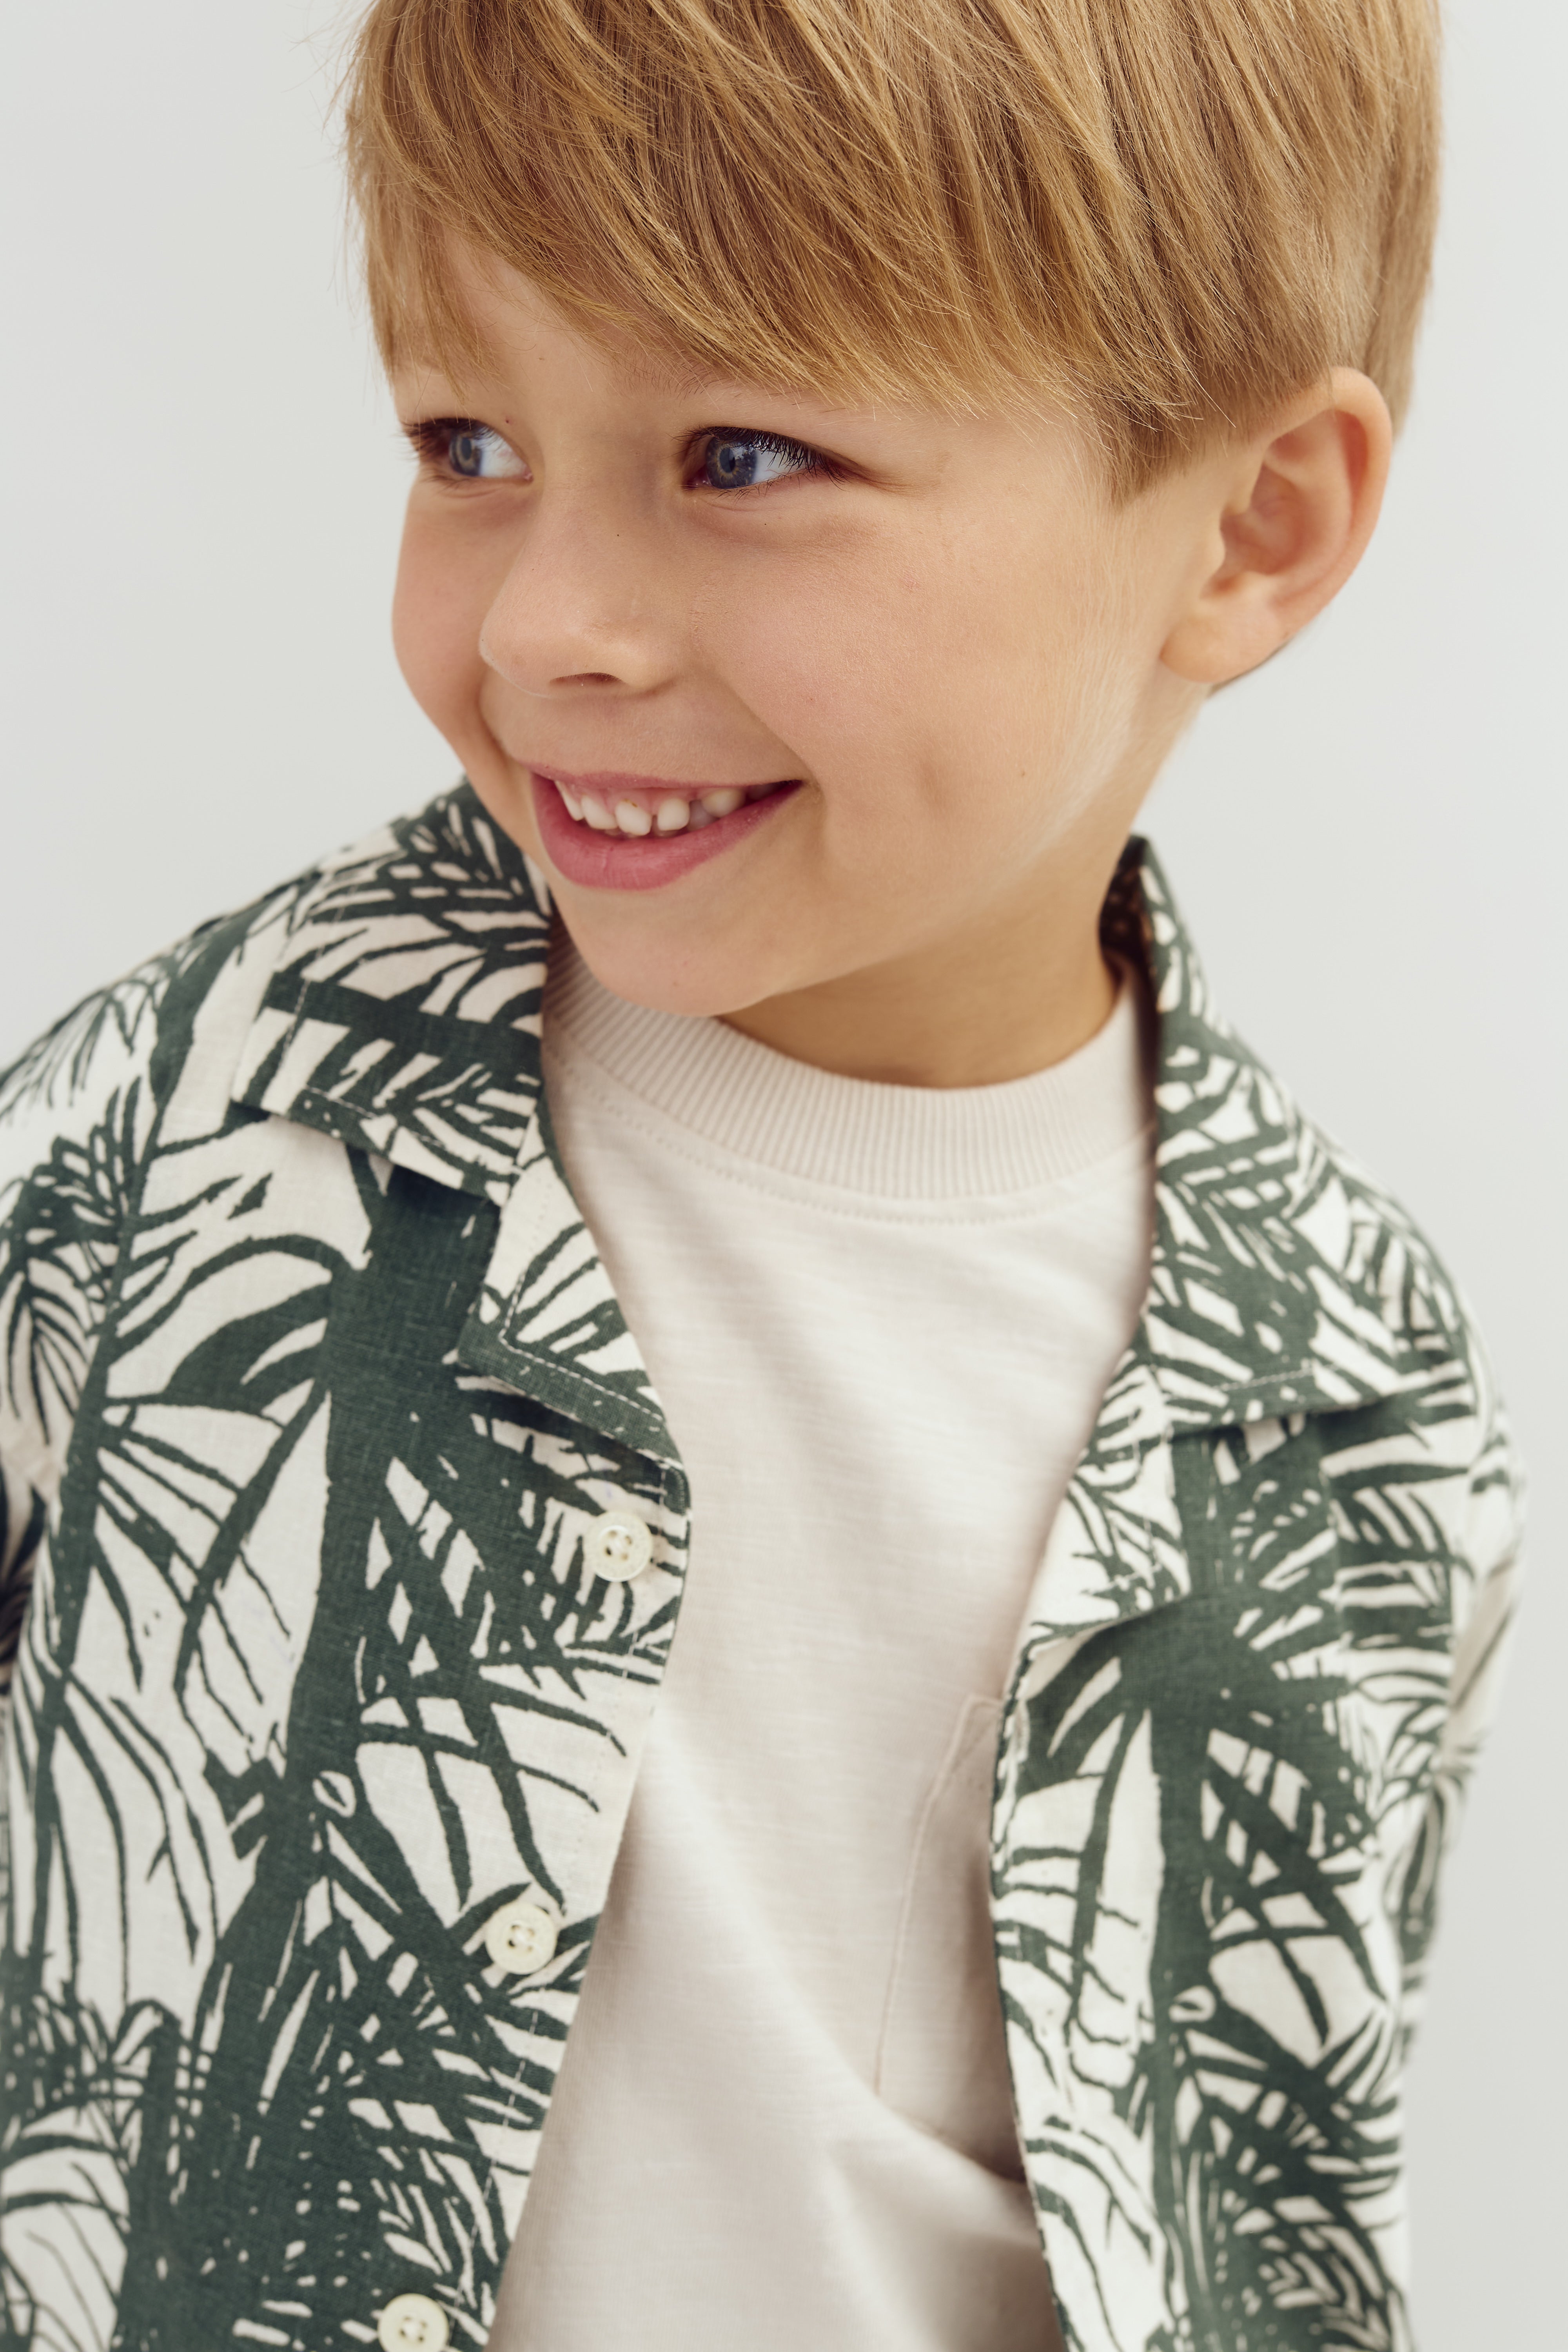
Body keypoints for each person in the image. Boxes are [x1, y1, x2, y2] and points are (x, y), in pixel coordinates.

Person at [0, 0, 1524, 2345]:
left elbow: (1278, 2219)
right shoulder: (136, 1179)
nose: (542, 627)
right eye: (469, 441)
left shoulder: (1364, 1410)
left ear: (1253, 526)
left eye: (739, 454)